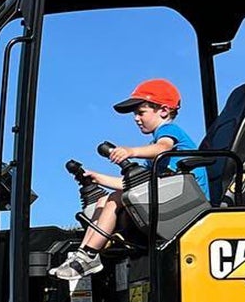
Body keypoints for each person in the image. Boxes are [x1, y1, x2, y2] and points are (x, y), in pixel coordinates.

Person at [49, 78, 210, 280]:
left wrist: (131, 151)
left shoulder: (168, 132)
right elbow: (133, 186)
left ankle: (89, 255)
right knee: (103, 200)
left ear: (164, 111)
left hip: (189, 201)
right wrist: (98, 178)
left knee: (117, 198)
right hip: (171, 197)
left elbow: (162, 147)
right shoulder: (156, 159)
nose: (136, 118)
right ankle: (85, 253)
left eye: (141, 112)